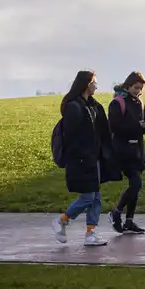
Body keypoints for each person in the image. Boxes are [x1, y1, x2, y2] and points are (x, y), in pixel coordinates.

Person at [52, 70, 121, 246]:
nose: (96, 86)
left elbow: (101, 130)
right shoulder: (74, 107)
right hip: (81, 159)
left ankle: (90, 233)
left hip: (94, 158)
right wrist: (81, 155)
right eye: (93, 82)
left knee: (96, 197)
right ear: (85, 84)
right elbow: (71, 137)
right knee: (88, 197)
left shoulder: (92, 106)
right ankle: (62, 220)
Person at [108, 71, 145, 234]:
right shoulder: (117, 103)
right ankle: (116, 212)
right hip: (122, 150)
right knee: (136, 183)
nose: (138, 91)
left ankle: (129, 221)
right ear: (128, 85)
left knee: (136, 186)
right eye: (135, 87)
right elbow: (115, 127)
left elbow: (143, 125)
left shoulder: (140, 103)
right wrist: (137, 128)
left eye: (140, 88)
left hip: (137, 150)